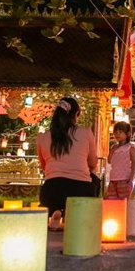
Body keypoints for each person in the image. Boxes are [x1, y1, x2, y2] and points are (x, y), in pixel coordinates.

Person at [37, 97, 98, 229]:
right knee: (95, 180)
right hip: (80, 190)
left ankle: (56, 210)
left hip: (51, 191)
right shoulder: (86, 132)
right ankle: (76, 215)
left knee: (53, 186)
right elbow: (93, 163)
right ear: (76, 114)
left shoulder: (43, 136)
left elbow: (44, 167)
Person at [107, 121, 135, 199]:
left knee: (123, 202)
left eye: (120, 132)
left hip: (124, 178)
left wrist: (131, 177)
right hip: (113, 178)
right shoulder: (114, 147)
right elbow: (109, 160)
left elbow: (134, 162)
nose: (117, 134)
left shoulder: (130, 147)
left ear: (128, 134)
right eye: (115, 132)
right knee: (113, 202)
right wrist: (111, 151)